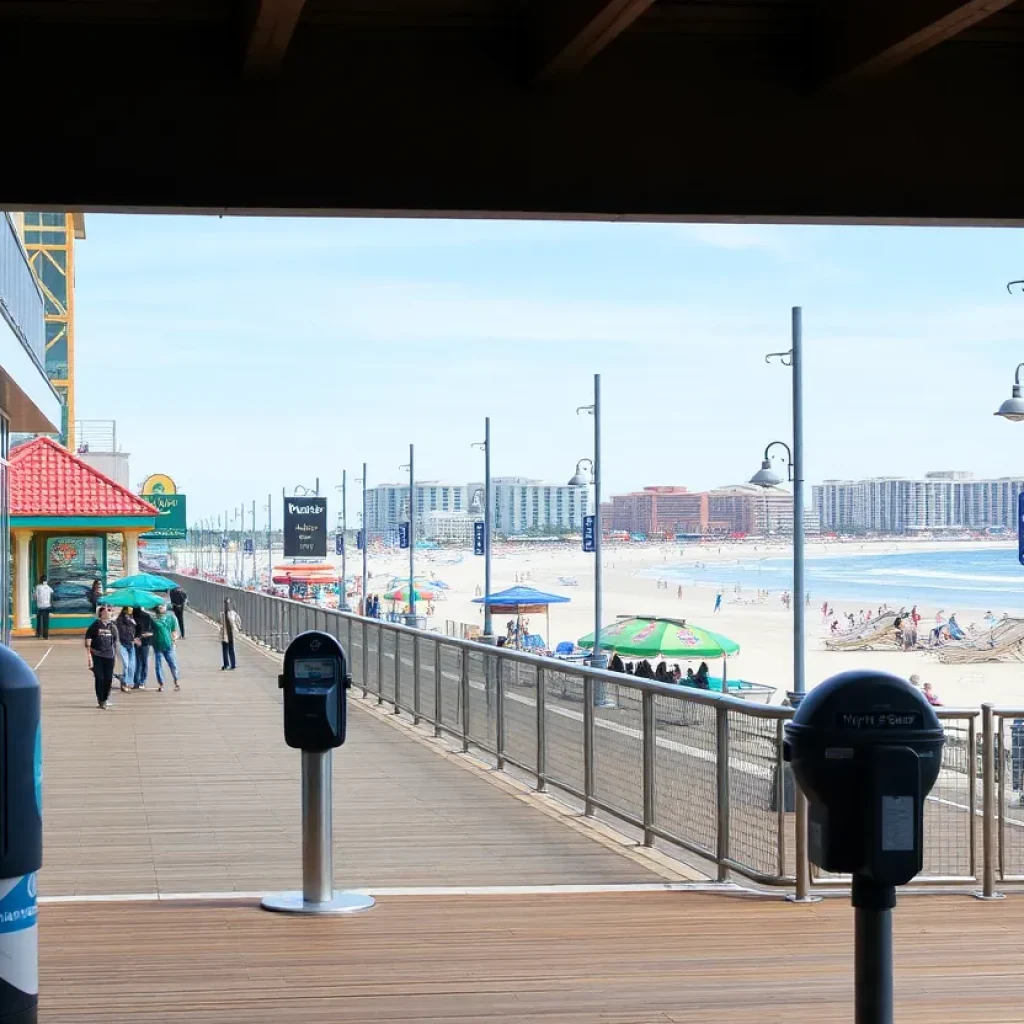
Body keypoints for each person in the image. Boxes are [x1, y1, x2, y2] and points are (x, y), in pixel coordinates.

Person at [85, 606, 119, 709]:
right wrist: (89, 651)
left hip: (110, 656)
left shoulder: (112, 626)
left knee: (108, 678)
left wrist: (115, 655)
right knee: (99, 678)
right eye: (106, 611)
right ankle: (100, 700)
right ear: (101, 614)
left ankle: (105, 698)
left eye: (109, 611)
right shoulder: (96, 624)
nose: (108, 612)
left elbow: (115, 641)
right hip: (97, 655)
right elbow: (88, 637)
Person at [151, 602, 181, 691]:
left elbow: (174, 630)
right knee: (158, 665)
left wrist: (174, 640)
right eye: (159, 606)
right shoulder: (153, 619)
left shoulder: (170, 617)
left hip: (168, 644)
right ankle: (161, 684)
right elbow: (150, 630)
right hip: (157, 645)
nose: (161, 607)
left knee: (172, 663)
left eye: (163, 606)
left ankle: (176, 681)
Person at [113, 606, 137, 692]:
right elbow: (122, 630)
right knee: (126, 665)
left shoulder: (132, 618)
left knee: (132, 665)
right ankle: (125, 682)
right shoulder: (120, 620)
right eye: (129, 609)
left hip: (131, 643)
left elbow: (134, 630)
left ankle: (129, 682)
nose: (130, 610)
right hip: (123, 644)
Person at [133, 605, 154, 688]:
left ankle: (140, 681)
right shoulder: (146, 615)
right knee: (140, 662)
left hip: (143, 641)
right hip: (139, 641)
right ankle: (139, 681)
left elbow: (151, 629)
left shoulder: (145, 616)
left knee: (140, 661)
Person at [220, 599, 242, 670]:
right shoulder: (223, 614)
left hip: (231, 634)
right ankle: (226, 664)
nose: (226, 606)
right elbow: (221, 623)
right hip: (224, 634)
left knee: (231, 649)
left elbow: (238, 621)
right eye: (225, 604)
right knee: (224, 649)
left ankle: (233, 664)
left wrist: (238, 627)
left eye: (228, 604)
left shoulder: (232, 613)